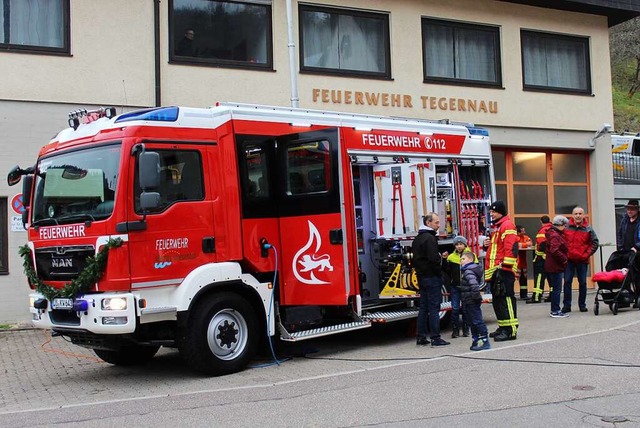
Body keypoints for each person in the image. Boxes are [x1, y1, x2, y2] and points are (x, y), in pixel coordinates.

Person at [413, 213, 450, 347]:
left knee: (423, 308)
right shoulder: (430, 238)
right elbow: (433, 259)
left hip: (421, 277)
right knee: (434, 308)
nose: (438, 225)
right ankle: (435, 337)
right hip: (431, 277)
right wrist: (440, 266)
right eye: (436, 222)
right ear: (428, 223)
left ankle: (421, 337)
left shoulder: (417, 238)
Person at [484, 200, 519, 342]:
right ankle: (503, 326)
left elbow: (511, 247)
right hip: (496, 270)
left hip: (503, 270)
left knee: (506, 300)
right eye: (490, 211)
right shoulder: (498, 227)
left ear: (501, 211)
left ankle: (510, 330)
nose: (491, 214)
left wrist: (505, 267)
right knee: (498, 300)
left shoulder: (507, 225)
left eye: (493, 211)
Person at [562, 206, 599, 313]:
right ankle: (566, 306)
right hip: (569, 260)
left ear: (583, 215)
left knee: (582, 283)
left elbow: (595, 243)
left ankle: (582, 305)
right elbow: (561, 242)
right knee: (567, 282)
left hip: (582, 260)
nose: (578, 216)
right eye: (576, 214)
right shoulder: (566, 227)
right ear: (572, 215)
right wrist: (564, 255)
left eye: (580, 214)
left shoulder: (588, 228)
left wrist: (586, 254)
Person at [459, 251, 490, 351]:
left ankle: (484, 341)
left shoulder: (468, 271)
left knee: (477, 321)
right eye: (461, 259)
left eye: (463, 259)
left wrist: (475, 298)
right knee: (472, 321)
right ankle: (476, 340)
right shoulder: (467, 271)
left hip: (471, 300)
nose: (461, 261)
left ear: (471, 260)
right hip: (468, 300)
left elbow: (474, 286)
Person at [446, 236, 472, 338]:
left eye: (461, 244)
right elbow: (447, 271)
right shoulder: (451, 257)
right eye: (457, 244)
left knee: (465, 309)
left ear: (465, 245)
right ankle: (455, 330)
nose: (459, 246)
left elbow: (476, 270)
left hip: (466, 286)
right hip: (455, 286)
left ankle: (466, 329)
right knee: (455, 308)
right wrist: (444, 260)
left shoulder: (470, 256)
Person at [546, 215, 570, 318]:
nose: (565, 227)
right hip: (555, 266)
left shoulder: (552, 233)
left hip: (553, 265)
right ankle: (555, 310)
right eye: (564, 225)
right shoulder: (555, 235)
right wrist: (564, 259)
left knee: (555, 288)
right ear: (560, 225)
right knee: (557, 289)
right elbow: (554, 250)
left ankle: (555, 309)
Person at [526, 215, 552, 303]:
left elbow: (542, 245)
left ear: (541, 221)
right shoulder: (552, 229)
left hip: (541, 259)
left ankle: (536, 297)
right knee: (551, 278)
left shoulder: (543, 230)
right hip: (550, 259)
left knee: (539, 278)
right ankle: (552, 296)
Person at [516, 225, 533, 300]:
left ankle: (524, 294)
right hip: (516, 262)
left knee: (523, 278)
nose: (524, 232)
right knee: (514, 278)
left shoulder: (525, 237)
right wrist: (525, 245)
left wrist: (522, 245)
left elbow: (530, 243)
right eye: (523, 231)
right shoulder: (515, 237)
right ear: (518, 232)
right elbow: (517, 245)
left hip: (523, 262)